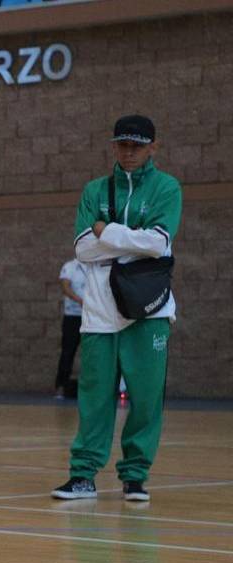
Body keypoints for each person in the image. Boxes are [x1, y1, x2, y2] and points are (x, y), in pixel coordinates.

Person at [52, 115, 181, 503]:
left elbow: (159, 243)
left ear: (153, 147)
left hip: (150, 308)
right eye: (122, 144)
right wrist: (131, 242)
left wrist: (105, 231)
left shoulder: (166, 188)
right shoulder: (95, 190)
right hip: (99, 311)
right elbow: (82, 249)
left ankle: (135, 476)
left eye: (137, 145)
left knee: (146, 397)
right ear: (113, 146)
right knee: (94, 397)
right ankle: (82, 476)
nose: (129, 152)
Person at [54, 258, 88, 399]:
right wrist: (79, 300)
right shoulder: (70, 267)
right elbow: (65, 287)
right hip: (73, 316)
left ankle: (90, 388)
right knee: (68, 352)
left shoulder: (94, 265)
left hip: (90, 318)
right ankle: (61, 386)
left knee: (91, 354)